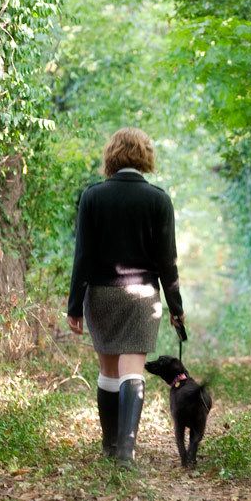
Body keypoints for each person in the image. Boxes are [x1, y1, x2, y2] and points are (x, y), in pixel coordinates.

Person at [66, 127, 185, 465]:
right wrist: (176, 308)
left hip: (101, 294)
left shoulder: (93, 196)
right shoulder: (158, 199)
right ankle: (126, 452)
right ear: (145, 156)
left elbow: (83, 257)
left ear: (112, 155)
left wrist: (74, 305)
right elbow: (167, 262)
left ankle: (109, 446)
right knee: (133, 369)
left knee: (108, 371)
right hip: (142, 296)